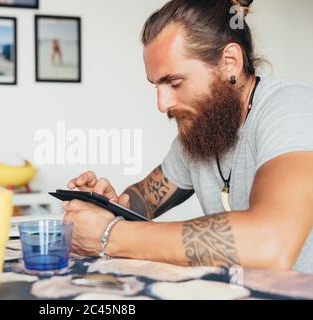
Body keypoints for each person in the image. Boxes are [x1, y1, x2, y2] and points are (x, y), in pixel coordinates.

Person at [63, 0, 313, 274]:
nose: (162, 104)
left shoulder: (293, 108)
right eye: (156, 85)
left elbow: (271, 241)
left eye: (175, 82)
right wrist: (109, 207)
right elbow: (145, 198)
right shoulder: (202, 130)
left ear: (230, 63)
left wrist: (109, 235)